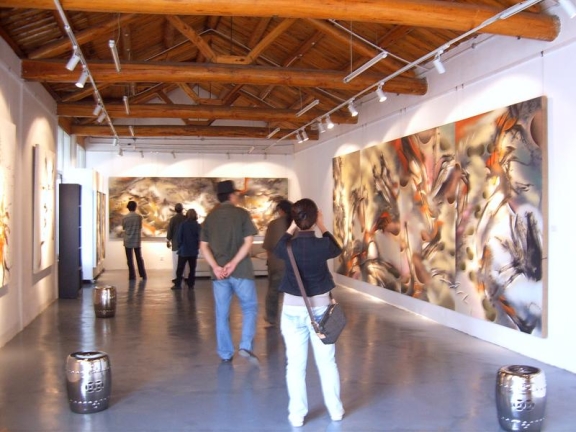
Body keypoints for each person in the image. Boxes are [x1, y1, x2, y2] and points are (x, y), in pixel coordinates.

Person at [273, 198, 344, 427]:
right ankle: (335, 411)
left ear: (295, 219)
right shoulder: (322, 246)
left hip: (292, 310)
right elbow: (337, 248)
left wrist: (292, 227)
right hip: (321, 310)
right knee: (327, 363)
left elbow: (277, 247)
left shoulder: (288, 246)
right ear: (314, 218)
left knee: (295, 365)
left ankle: (297, 415)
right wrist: (321, 224)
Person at [200, 180, 259, 363]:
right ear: (231, 195)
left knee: (222, 314)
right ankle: (245, 345)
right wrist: (233, 263)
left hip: (219, 275)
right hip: (241, 270)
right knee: (249, 308)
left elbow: (203, 246)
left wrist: (216, 267)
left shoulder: (210, 217)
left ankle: (225, 353)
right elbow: (248, 242)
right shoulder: (242, 214)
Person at [262, 199, 293, 327]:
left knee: (273, 292)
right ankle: (292, 317)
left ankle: (271, 318)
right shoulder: (297, 224)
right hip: (294, 264)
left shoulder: (274, 224)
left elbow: (268, 246)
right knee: (293, 293)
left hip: (277, 264)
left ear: (281, 210)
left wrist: (271, 261)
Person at [172, 208, 201, 290]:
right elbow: (200, 237)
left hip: (184, 250)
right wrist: (197, 246)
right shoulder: (197, 225)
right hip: (193, 250)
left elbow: (179, 237)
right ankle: (191, 284)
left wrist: (180, 245)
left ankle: (178, 284)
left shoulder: (183, 225)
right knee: (192, 268)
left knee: (180, 268)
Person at [122, 200, 147, 281]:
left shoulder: (125, 217)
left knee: (129, 260)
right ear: (135, 207)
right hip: (136, 240)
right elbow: (140, 227)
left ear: (128, 208)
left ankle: (132, 276)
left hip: (127, 241)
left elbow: (124, 228)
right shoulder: (139, 217)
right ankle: (142, 274)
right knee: (139, 258)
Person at [167, 203, 187, 283]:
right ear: (182, 209)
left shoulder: (173, 219)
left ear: (175, 210)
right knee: (184, 262)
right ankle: (184, 276)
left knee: (175, 262)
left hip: (175, 244)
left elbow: (170, 231)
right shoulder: (185, 218)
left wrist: (168, 241)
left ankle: (175, 277)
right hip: (184, 244)